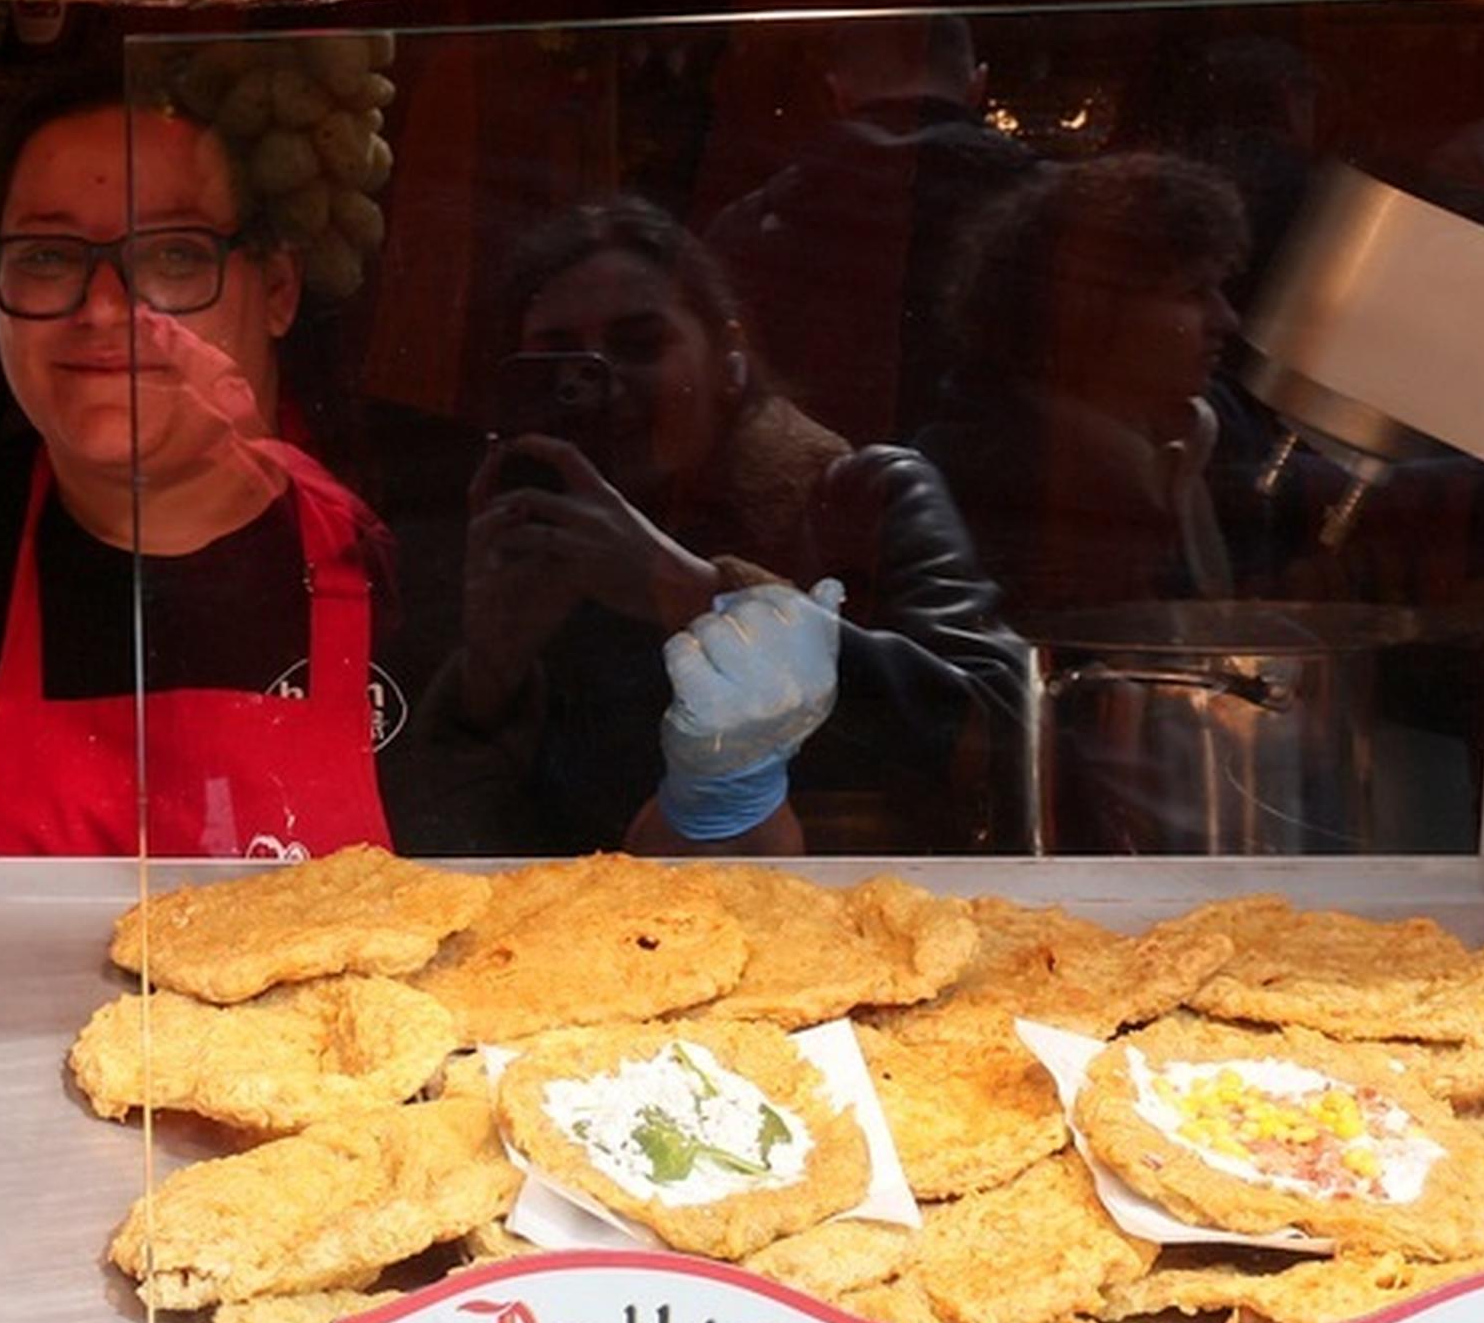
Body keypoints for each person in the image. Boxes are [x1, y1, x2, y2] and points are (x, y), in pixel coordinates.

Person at [0, 67, 400, 859]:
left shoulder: (436, 550)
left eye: (172, 253)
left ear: (277, 285)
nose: (103, 307)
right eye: (48, 257)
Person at [401, 199, 1029, 857]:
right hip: (569, 944)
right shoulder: (516, 543)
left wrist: (694, 592)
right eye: (556, 362)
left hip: (851, 936)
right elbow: (437, 839)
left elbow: (1004, 732)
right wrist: (489, 677)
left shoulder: (858, 502)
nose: (601, 382)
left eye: (640, 344)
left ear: (730, 358)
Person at [917, 151, 1282, 626]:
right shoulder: (984, 485)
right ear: (1086, 311)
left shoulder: (1216, 427)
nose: (1226, 321)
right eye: (1192, 293)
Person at [706, 15, 1037, 443]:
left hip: (827, 492)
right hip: (1016, 496)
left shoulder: (749, 226)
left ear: (837, 93)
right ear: (977, 86)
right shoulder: (1054, 211)